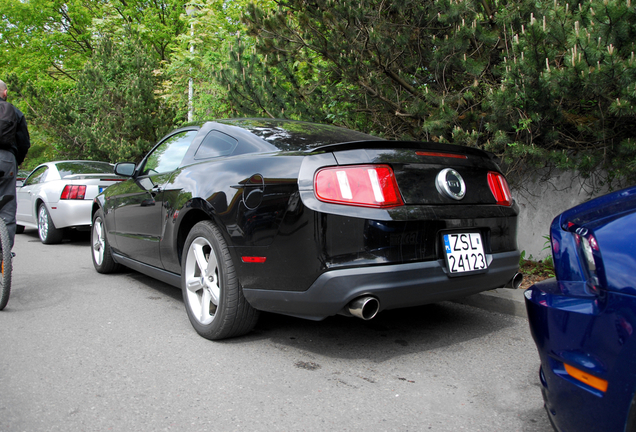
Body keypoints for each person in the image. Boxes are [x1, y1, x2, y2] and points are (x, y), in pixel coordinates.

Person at [0, 80, 30, 248]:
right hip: (6, 160)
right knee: (7, 208)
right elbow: (24, 142)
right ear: (5, 93)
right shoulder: (14, 111)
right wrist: (15, 161)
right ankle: (4, 256)